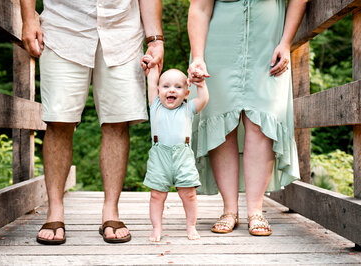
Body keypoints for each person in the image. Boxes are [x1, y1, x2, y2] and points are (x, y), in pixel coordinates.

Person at [20, 0, 164, 244]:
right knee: (58, 120)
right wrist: (28, 17)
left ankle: (111, 211)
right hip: (63, 26)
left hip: (123, 30)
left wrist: (155, 39)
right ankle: (55, 211)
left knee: (118, 122)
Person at [187, 0, 307, 236]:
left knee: (262, 121)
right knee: (220, 118)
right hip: (217, 44)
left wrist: (286, 42)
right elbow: (200, 7)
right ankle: (229, 210)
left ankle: (256, 210)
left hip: (268, 44)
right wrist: (198, 56)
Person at [141, 55, 209, 241]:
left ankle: (191, 226)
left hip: (182, 156)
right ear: (158, 91)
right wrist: (152, 63)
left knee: (189, 194)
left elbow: (203, 99)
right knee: (156, 195)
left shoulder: (188, 108)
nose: (172, 90)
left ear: (186, 93)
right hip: (159, 156)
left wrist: (200, 83)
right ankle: (156, 228)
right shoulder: (155, 105)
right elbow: (152, 79)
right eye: (166, 86)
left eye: (178, 87)